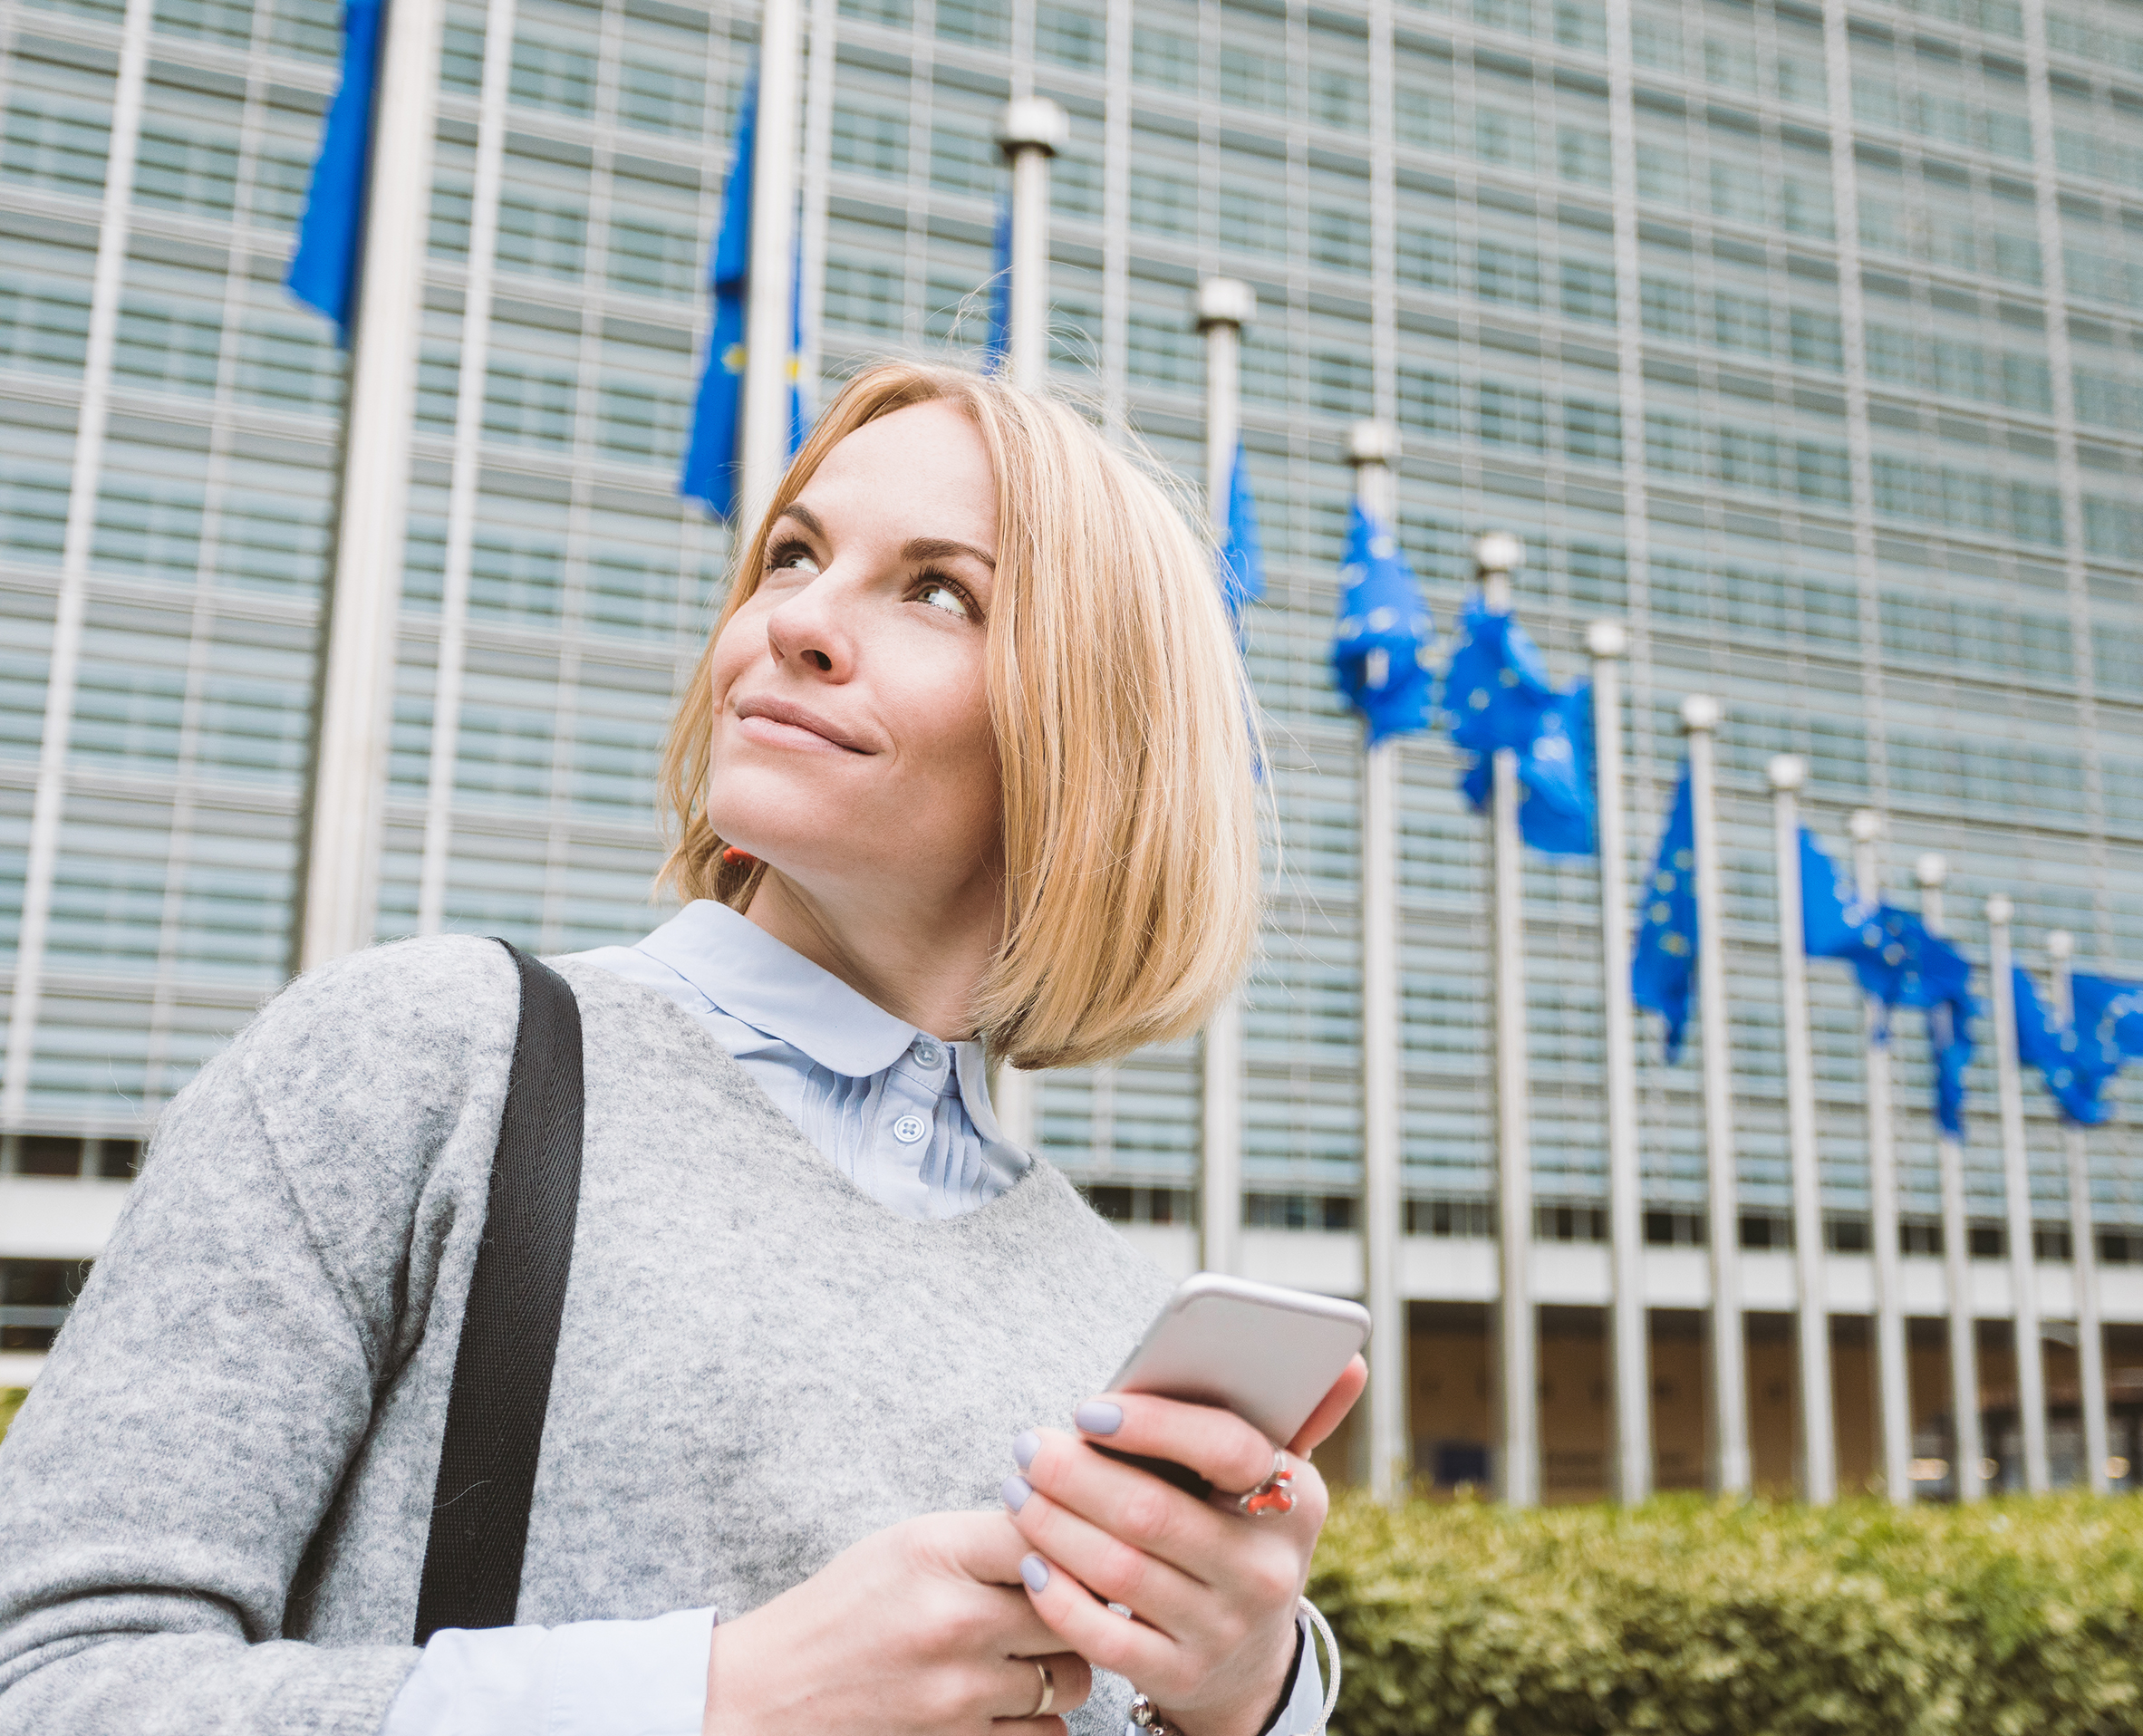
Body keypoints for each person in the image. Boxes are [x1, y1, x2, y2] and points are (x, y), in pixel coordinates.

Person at [0, 362, 1363, 1736]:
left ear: (1094, 741)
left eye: (937, 589)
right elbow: (46, 1682)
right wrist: (711, 1700)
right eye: (792, 556)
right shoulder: (424, 1059)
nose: (798, 623)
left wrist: (1247, 1695)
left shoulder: (1106, 1313)